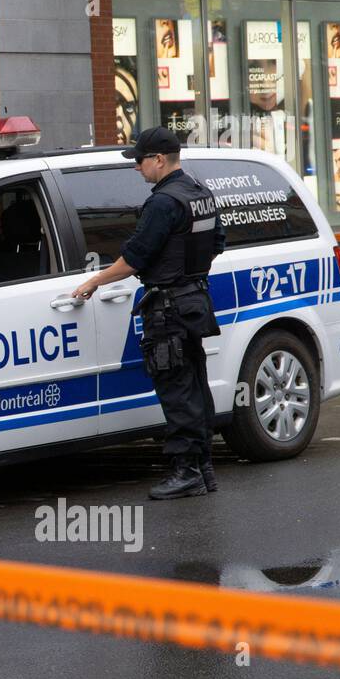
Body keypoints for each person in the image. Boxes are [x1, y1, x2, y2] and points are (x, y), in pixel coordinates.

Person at [72, 127, 225, 500]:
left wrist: (94, 282)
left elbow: (133, 260)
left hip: (168, 306)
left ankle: (187, 471)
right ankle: (203, 469)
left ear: (159, 159)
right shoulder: (199, 194)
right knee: (194, 386)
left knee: (176, 389)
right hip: (194, 301)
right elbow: (216, 242)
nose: (136, 168)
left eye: (139, 161)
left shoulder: (163, 203)